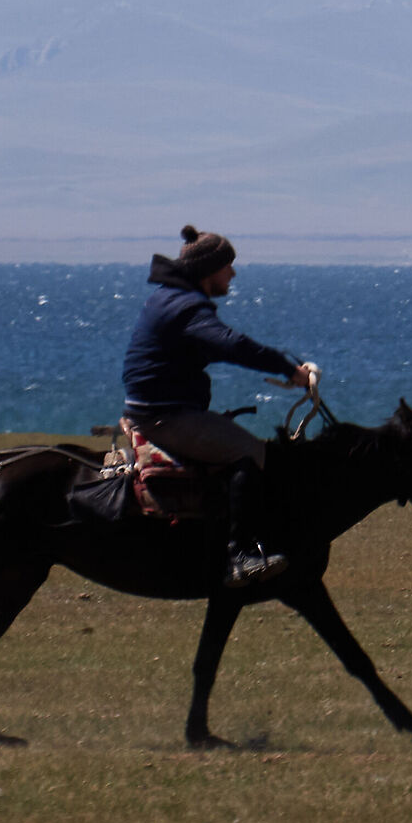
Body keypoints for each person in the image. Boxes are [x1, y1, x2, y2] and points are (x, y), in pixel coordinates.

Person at [121, 225, 320, 587]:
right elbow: (232, 344)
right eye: (228, 265)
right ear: (209, 270)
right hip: (164, 415)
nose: (233, 273)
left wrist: (279, 363)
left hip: (153, 407)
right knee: (250, 452)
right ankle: (239, 557)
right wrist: (289, 370)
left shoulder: (170, 298)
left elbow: (213, 347)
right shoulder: (188, 307)